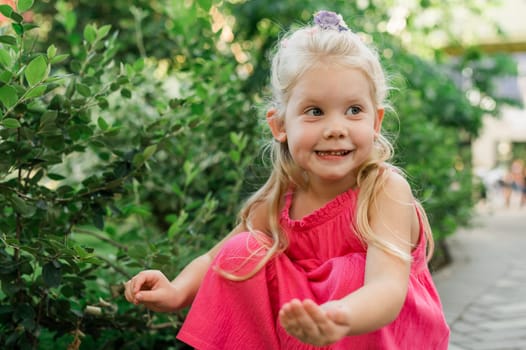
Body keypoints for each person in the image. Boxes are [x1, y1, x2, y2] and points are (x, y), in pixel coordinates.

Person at [124, 10, 450, 349]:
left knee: (353, 274)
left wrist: (338, 317)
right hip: (304, 333)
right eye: (315, 111)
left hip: (372, 331)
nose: (336, 128)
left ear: (376, 121)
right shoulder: (281, 201)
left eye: (354, 110)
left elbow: (386, 289)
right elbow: (213, 259)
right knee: (242, 251)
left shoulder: (384, 190)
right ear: (280, 126)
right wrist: (176, 291)